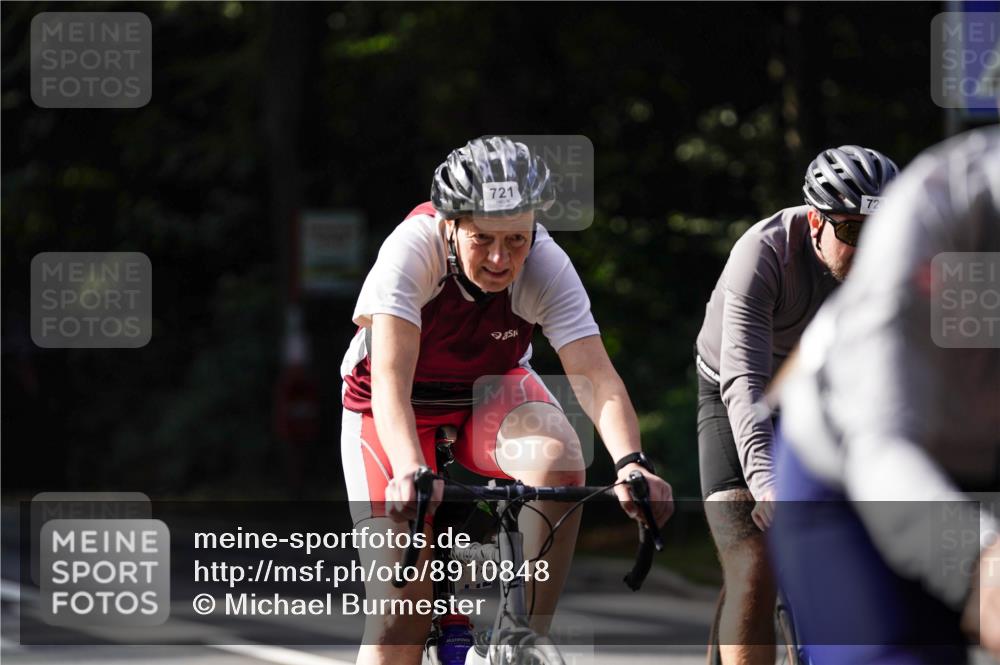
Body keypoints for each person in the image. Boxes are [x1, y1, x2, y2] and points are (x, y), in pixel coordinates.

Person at [339, 136, 673, 665]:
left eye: (517, 239)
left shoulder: (546, 263)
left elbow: (594, 374)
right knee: (399, 617)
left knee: (560, 459)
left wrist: (631, 462)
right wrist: (409, 470)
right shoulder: (411, 249)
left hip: (486, 393)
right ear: (451, 225)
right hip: (395, 408)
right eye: (483, 239)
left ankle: (522, 639)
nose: (501, 259)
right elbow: (390, 382)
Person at [772, 127, 1000, 664]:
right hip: (848, 467)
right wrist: (981, 561)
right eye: (850, 228)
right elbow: (879, 447)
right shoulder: (935, 207)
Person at [694, 145, 899, 664]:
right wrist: (767, 484)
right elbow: (744, 382)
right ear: (815, 221)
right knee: (754, 563)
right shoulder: (762, 252)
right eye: (852, 231)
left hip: (819, 395)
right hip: (733, 391)